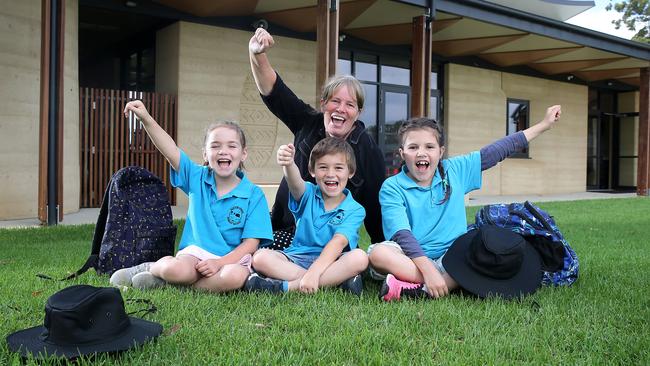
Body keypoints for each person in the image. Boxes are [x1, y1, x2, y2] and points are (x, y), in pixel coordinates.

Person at [368, 105, 562, 301]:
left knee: (483, 250)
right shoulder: (392, 186)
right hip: (410, 260)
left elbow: (498, 150)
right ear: (402, 153)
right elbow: (402, 234)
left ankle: (416, 288)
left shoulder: (455, 169)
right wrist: (429, 271)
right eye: (413, 147)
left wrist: (543, 125)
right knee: (378, 254)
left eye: (429, 146)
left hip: (454, 258)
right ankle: (440, 284)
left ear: (441, 151)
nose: (421, 153)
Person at [110, 100, 273, 292]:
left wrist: (219, 263)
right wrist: (146, 119)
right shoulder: (196, 177)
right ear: (205, 153)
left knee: (235, 277)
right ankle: (149, 268)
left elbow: (251, 244)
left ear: (243, 154)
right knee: (177, 270)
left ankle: (170, 285)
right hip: (194, 255)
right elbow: (170, 150)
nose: (223, 151)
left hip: (230, 259)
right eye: (215, 146)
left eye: (232, 146)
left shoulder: (254, 195)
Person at [249, 27, 386, 248]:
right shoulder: (307, 122)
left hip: (332, 240)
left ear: (358, 112)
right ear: (323, 104)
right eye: (335, 101)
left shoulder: (367, 148)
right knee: (259, 254)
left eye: (350, 104)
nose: (341, 109)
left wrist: (382, 248)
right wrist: (256, 54)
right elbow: (273, 90)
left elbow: (376, 203)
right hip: (288, 229)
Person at [244, 137, 369, 296]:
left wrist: (315, 272)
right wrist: (288, 164)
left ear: (350, 172)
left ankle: (286, 287)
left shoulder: (355, 209)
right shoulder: (308, 193)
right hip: (298, 258)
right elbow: (294, 182)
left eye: (338, 168)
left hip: (333, 261)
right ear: (312, 171)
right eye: (323, 167)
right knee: (260, 257)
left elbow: (338, 242)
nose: (330, 174)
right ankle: (336, 282)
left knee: (360, 257)